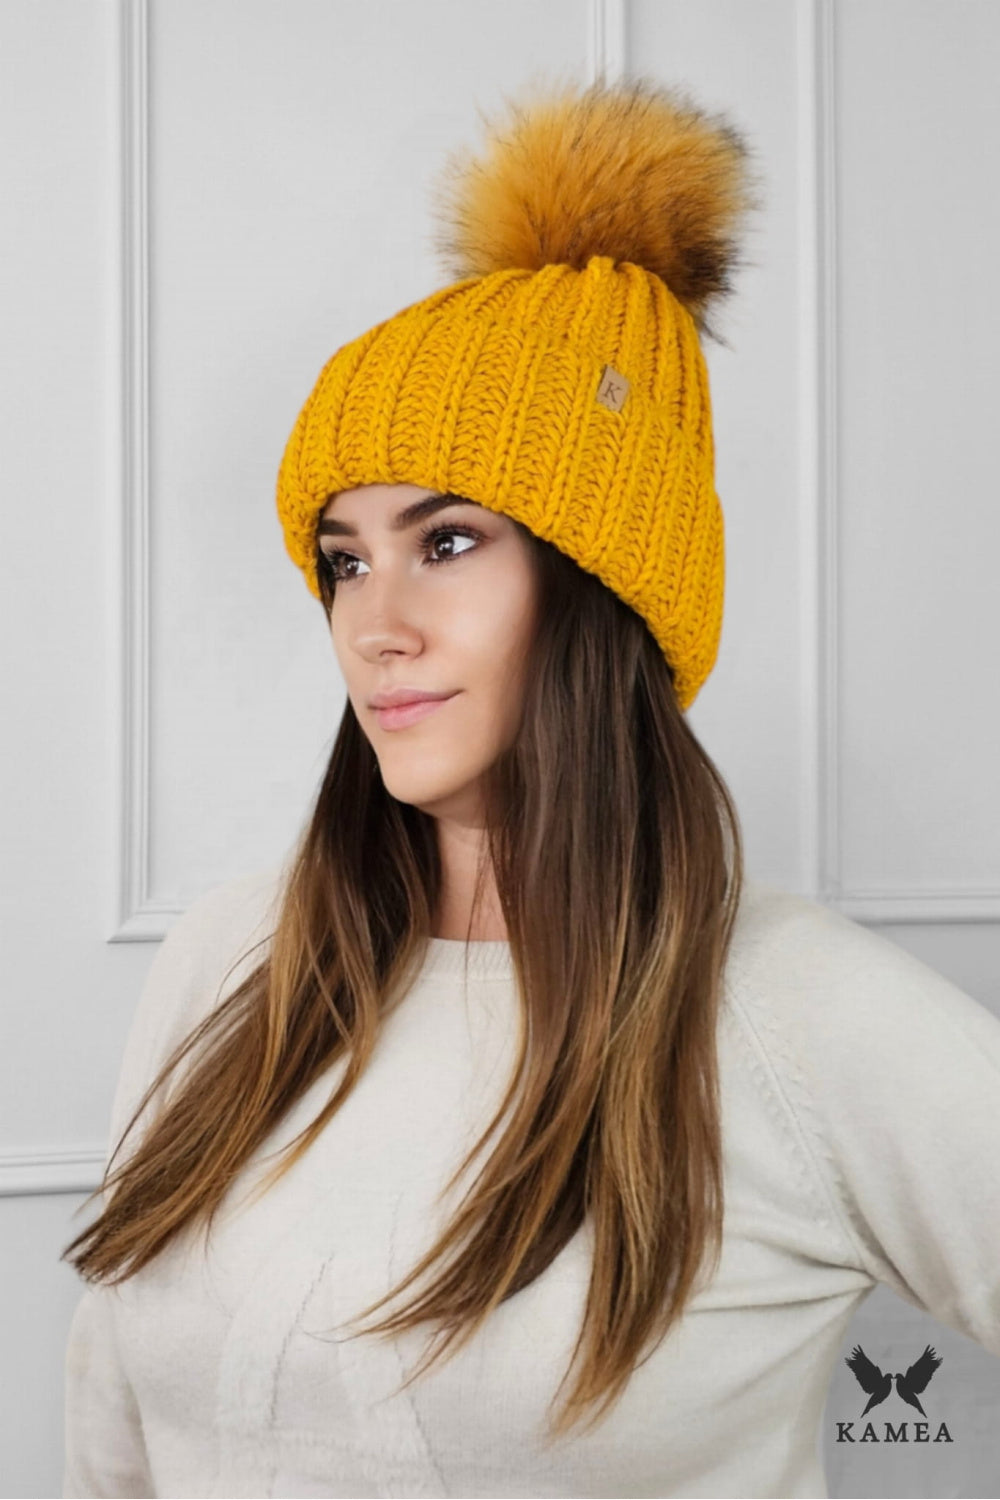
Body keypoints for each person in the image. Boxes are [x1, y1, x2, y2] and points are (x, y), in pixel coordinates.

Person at [61, 75, 1000, 1498]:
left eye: (446, 543)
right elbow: (110, 1440)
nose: (374, 623)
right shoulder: (229, 964)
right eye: (343, 559)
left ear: (604, 590)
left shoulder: (805, 1024)